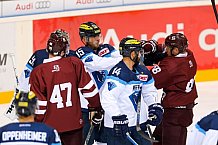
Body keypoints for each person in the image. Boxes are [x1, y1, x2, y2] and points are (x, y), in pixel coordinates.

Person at [29, 29, 101, 145]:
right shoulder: (74, 63)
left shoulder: (38, 72)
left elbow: (40, 105)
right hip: (74, 125)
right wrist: (96, 108)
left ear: (48, 49)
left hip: (50, 128)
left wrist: (36, 123)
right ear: (63, 51)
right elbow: (90, 91)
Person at [100, 37, 164, 145]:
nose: (141, 55)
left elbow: (149, 91)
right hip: (118, 127)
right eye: (139, 52)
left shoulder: (142, 71)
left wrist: (153, 106)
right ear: (132, 54)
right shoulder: (118, 73)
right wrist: (117, 116)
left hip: (139, 125)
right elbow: (108, 98)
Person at [4, 29, 75, 121]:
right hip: (56, 104)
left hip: (55, 104)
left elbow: (24, 80)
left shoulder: (40, 55)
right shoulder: (39, 55)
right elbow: (25, 78)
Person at [75, 21, 123, 144]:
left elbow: (121, 62)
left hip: (105, 105)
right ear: (85, 39)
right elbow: (97, 64)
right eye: (94, 36)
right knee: (87, 140)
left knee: (105, 140)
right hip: (88, 107)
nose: (97, 38)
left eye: (99, 35)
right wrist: (122, 59)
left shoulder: (107, 48)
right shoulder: (81, 52)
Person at [147, 33, 198, 145]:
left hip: (175, 114)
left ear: (175, 51)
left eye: (168, 48)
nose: (165, 49)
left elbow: (149, 82)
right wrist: (156, 47)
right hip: (179, 111)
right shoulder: (189, 55)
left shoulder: (170, 67)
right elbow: (168, 55)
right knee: (156, 141)